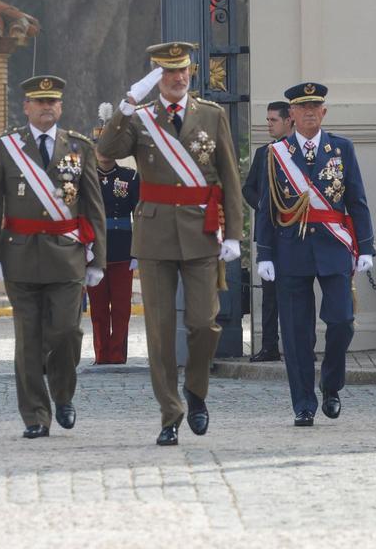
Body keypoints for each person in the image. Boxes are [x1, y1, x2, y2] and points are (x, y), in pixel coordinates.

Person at [98, 42, 243, 447]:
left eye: (182, 72)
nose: (177, 78)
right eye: (168, 73)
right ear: (155, 78)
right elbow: (106, 152)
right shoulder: (141, 120)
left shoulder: (212, 116)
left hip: (200, 232)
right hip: (155, 234)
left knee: (203, 323)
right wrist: (127, 106)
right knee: (160, 334)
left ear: (191, 73)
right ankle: (170, 412)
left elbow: (229, 175)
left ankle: (196, 392)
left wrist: (233, 233)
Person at [0, 77, 105, 438]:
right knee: (28, 340)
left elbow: (94, 206)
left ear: (60, 107)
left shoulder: (79, 147)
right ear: (26, 107)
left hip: (67, 257)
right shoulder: (5, 147)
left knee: (66, 332)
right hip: (20, 256)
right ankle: (35, 414)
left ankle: (63, 394)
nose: (47, 107)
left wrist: (99, 260)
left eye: (53, 102)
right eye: (39, 101)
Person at [255, 82, 374, 427]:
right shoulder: (276, 153)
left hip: (333, 246)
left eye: (315, 107)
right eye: (302, 108)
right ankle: (303, 404)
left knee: (341, 322)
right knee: (295, 333)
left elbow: (357, 199)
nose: (309, 112)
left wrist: (365, 246)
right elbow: (266, 208)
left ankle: (331, 385)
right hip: (290, 248)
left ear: (323, 112)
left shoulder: (342, 149)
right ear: (291, 114)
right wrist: (264, 253)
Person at [243, 100, 293, 362]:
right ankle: (269, 346)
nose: (268, 125)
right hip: (269, 234)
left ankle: (302, 346)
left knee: (299, 292)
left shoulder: (298, 150)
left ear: (288, 120)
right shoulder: (264, 152)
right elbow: (248, 188)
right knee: (270, 294)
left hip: (296, 231)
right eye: (268, 120)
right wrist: (264, 205)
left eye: (273, 120)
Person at [92, 145, 139, 364]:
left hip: (122, 248)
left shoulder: (128, 177)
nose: (105, 152)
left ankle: (117, 354)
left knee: (121, 308)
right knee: (98, 308)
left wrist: (138, 250)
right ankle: (101, 354)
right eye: (100, 146)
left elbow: (139, 214)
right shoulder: (87, 177)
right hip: (93, 250)